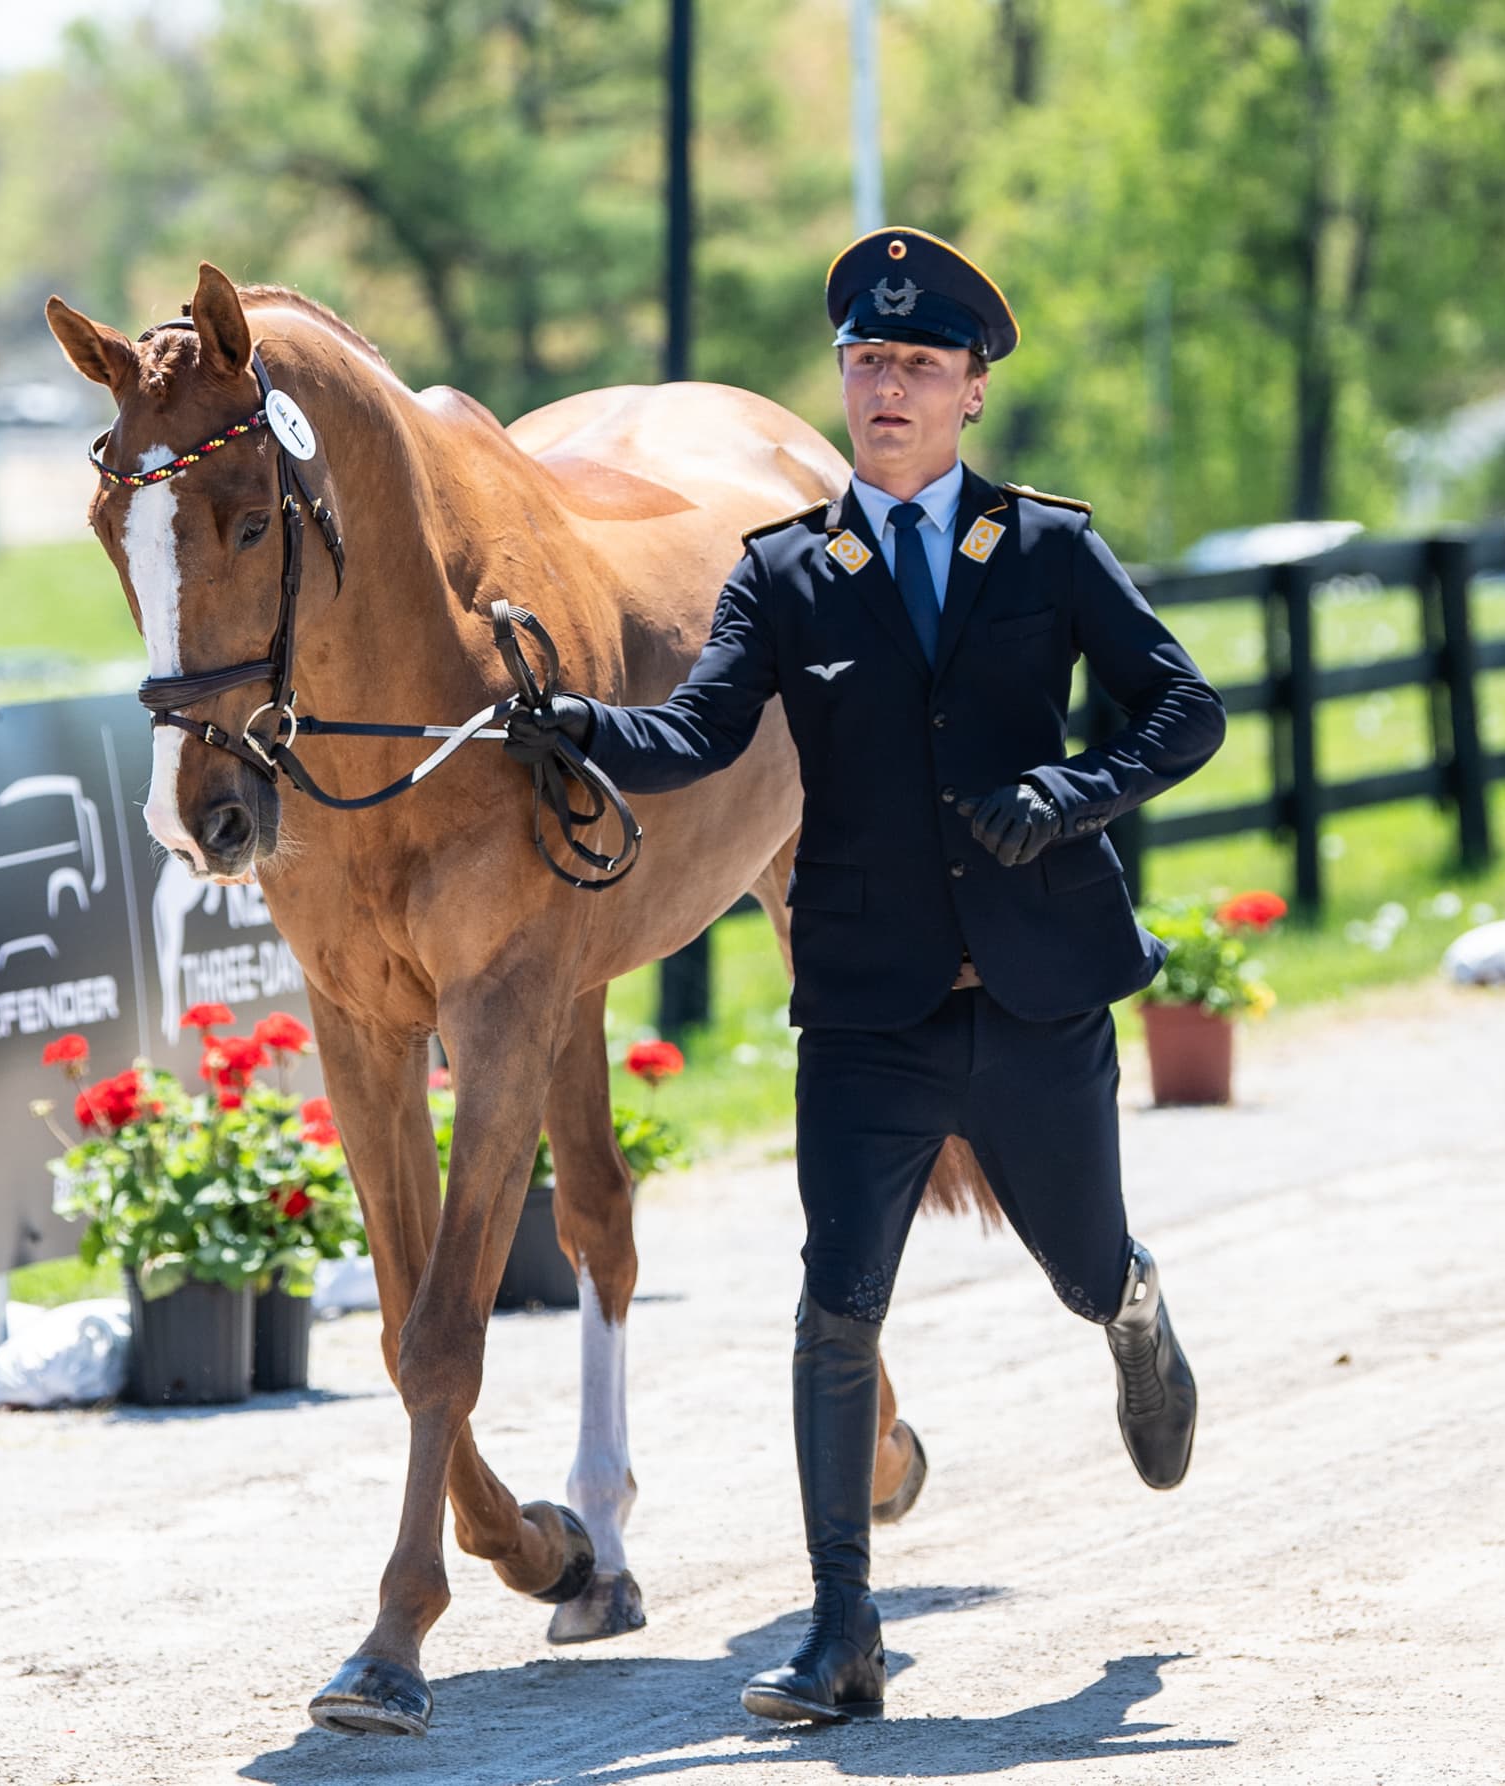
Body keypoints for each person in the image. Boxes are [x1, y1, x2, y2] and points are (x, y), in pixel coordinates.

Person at [506, 226, 1225, 1723]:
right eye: (865, 361)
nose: (886, 387)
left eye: (918, 364)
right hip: (866, 1012)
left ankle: (1136, 1308)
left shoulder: (1044, 549)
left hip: (1032, 1001)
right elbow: (696, 735)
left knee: (1083, 1259)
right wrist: (566, 723)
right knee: (836, 1305)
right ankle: (845, 1630)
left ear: (972, 390)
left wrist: (1072, 795)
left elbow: (1186, 709)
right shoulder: (786, 575)